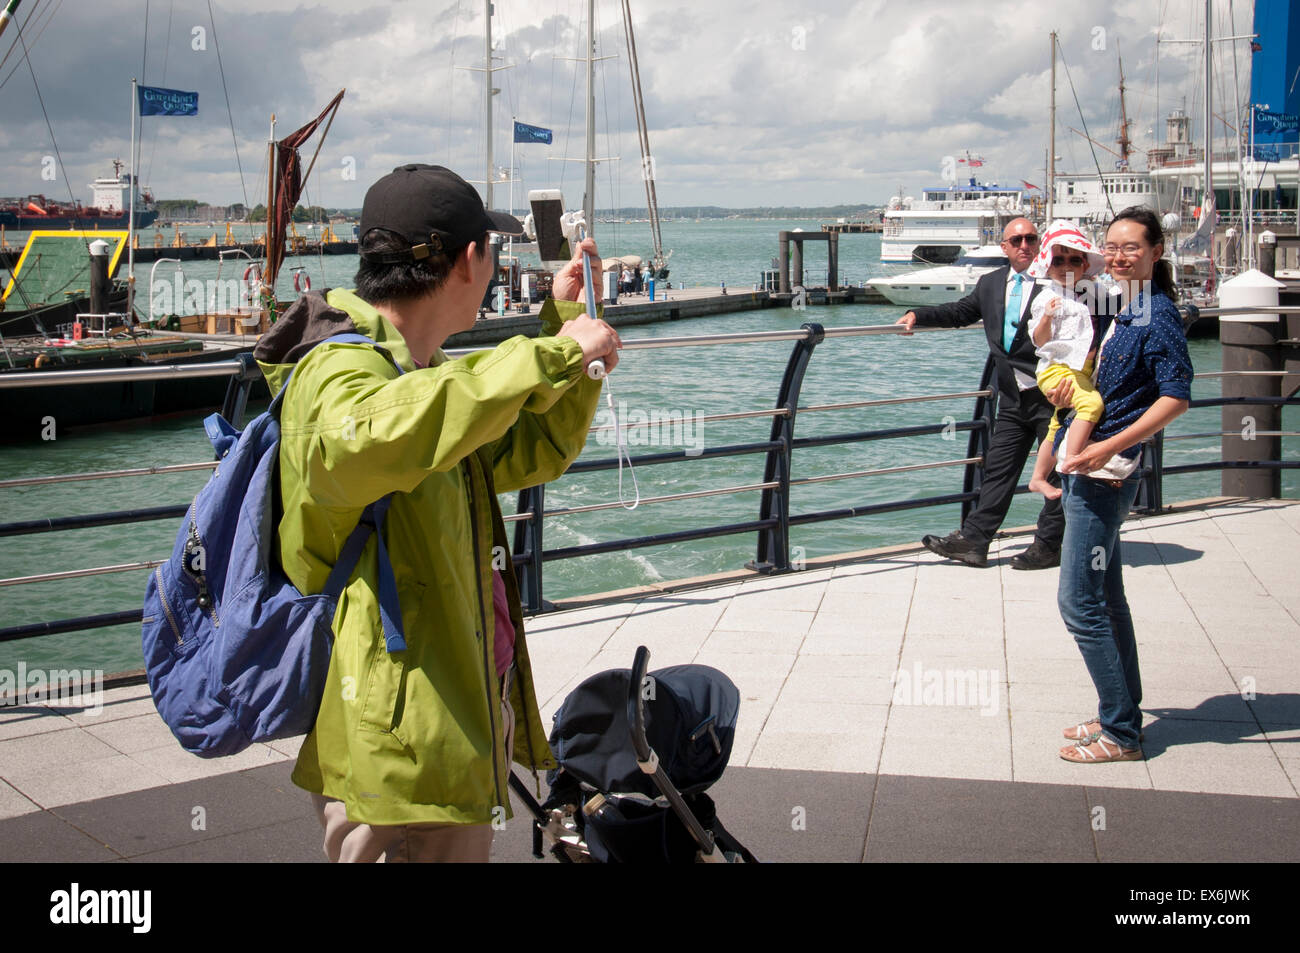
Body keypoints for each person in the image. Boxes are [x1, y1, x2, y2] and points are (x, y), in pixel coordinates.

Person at [253, 163, 620, 861]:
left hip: (449, 712)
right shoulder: (338, 370)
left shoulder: (427, 375)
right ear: (469, 260)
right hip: (386, 737)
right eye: (493, 251)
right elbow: (371, 437)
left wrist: (564, 324)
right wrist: (544, 357)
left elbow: (528, 448)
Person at [1050, 206, 1192, 763]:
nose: (1117, 255)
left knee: (1079, 603)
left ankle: (1122, 734)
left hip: (1104, 472)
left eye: (1131, 246)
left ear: (1157, 252)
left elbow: (1175, 396)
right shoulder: (1125, 310)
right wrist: (1071, 390)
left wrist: (1107, 445)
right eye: (1110, 246)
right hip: (1094, 464)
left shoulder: (1156, 315)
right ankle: (1120, 713)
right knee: (1108, 598)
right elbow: (1110, 384)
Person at [895, 218, 1063, 569]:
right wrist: (917, 314)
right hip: (1013, 396)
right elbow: (960, 312)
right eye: (1016, 240)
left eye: (1031, 238)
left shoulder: (1058, 280)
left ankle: (1049, 545)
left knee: (1058, 473)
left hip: (1055, 394)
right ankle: (973, 542)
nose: (1024, 245)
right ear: (1004, 247)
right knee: (999, 469)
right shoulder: (991, 283)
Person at [1022, 221, 1113, 500]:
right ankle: (1071, 462)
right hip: (1057, 368)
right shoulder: (1046, 297)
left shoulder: (1093, 294)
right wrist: (1048, 316)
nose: (1066, 266)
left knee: (1057, 422)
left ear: (1085, 264)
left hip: (1082, 369)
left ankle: (1038, 477)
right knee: (1091, 404)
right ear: (1047, 265)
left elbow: (1116, 306)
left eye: (1075, 260)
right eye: (1058, 260)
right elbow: (1039, 340)